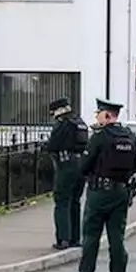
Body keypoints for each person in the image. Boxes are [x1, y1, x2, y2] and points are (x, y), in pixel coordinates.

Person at [73, 98, 136, 272]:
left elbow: (84, 166)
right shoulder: (129, 136)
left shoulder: (99, 137)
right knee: (117, 238)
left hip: (98, 193)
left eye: (98, 114)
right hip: (121, 192)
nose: (96, 117)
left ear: (106, 115)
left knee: (91, 237)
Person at [45, 97, 89, 250]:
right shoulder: (80, 122)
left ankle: (63, 239)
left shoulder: (63, 124)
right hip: (81, 164)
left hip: (66, 165)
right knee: (75, 202)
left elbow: (52, 146)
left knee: (62, 201)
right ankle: (76, 238)